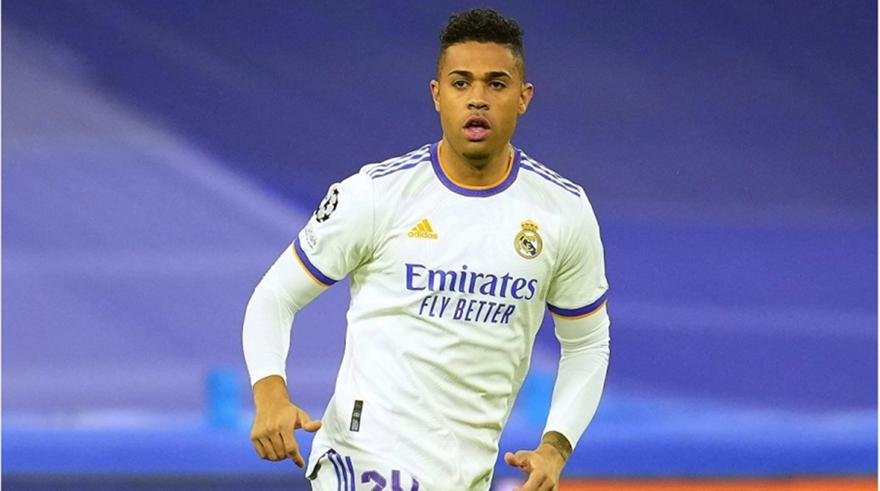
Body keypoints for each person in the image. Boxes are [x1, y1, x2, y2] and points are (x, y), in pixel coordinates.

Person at [242, 8, 610, 491]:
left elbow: (587, 343)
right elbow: (274, 297)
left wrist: (555, 447)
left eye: (496, 84)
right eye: (461, 83)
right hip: (362, 460)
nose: (477, 98)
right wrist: (270, 393)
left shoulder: (563, 212)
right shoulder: (376, 195)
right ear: (437, 95)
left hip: (466, 473)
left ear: (524, 98)